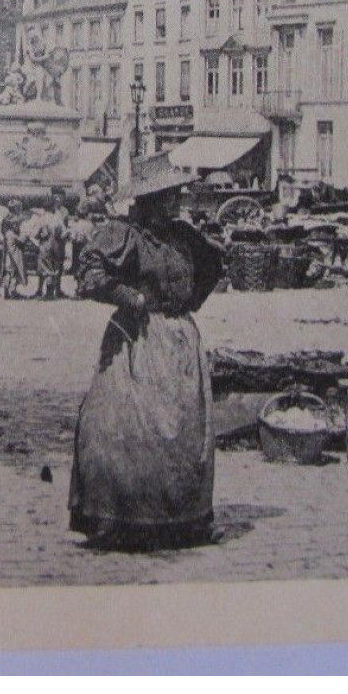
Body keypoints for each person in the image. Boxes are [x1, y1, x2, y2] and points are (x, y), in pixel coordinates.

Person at [69, 154, 226, 551]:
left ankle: (183, 519)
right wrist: (131, 296)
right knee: (127, 428)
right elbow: (89, 275)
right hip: (137, 340)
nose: (177, 203)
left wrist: (188, 302)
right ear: (149, 199)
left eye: (177, 195)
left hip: (178, 342)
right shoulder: (124, 233)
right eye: (168, 196)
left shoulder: (183, 236)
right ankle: (123, 518)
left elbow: (212, 265)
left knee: (184, 431)